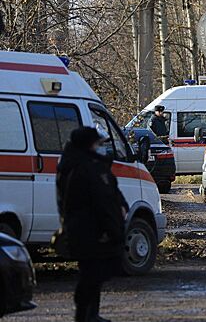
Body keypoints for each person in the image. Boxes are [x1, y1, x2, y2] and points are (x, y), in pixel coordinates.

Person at [56, 127, 129, 322]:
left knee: (91, 272)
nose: (101, 148)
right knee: (93, 274)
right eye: (98, 144)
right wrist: (115, 230)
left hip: (81, 228)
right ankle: (85, 315)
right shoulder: (88, 168)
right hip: (93, 230)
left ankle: (90, 314)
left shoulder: (72, 164)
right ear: (89, 145)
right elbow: (103, 201)